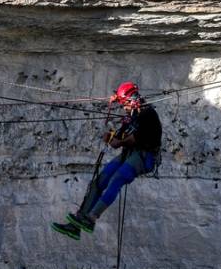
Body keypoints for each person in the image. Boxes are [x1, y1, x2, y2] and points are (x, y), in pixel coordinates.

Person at [51, 81, 161, 240]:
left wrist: (119, 142)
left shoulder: (148, 113)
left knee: (117, 178)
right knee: (99, 181)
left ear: (131, 99)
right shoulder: (130, 118)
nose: (123, 107)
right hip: (129, 153)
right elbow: (118, 139)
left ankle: (91, 218)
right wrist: (110, 137)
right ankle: (76, 224)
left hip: (144, 156)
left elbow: (131, 140)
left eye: (124, 103)